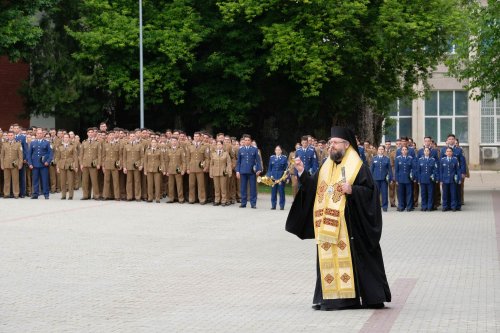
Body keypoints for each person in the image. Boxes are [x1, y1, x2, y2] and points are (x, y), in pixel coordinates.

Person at [285, 126, 391, 311]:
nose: (330, 146)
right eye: (330, 142)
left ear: (346, 145)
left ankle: (363, 297)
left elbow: (370, 194)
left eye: (335, 143)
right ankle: (332, 298)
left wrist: (353, 190)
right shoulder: (327, 165)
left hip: (352, 228)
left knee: (358, 260)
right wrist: (302, 172)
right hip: (328, 226)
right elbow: (313, 189)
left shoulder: (358, 167)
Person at [235, 134, 262, 209]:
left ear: (250, 141)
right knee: (243, 188)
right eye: (245, 140)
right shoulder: (241, 149)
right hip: (243, 171)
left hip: (252, 172)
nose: (247, 141)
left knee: (253, 188)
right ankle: (243, 203)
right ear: (243, 141)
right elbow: (239, 162)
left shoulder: (254, 149)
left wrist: (259, 169)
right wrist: (237, 171)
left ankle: (253, 204)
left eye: (248, 140)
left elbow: (258, 160)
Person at [28, 128, 53, 199]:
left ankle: (46, 194)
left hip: (44, 164)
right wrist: (30, 163)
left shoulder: (47, 142)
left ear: (43, 134)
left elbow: (50, 153)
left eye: (40, 133)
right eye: (38, 133)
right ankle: (35, 194)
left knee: (45, 180)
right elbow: (29, 154)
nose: (39, 134)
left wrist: (47, 161)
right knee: (35, 180)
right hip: (35, 164)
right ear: (36, 134)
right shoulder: (33, 142)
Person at [55, 133, 78, 200]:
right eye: (64, 137)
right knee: (62, 181)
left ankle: (71, 195)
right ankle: (63, 195)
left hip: (70, 165)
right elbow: (58, 157)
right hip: (62, 165)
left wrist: (76, 166)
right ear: (63, 138)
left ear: (69, 138)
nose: (66, 138)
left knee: (70, 181)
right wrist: (57, 167)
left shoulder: (72, 146)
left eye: (67, 137)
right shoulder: (60, 146)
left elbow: (75, 157)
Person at [415, 147, 438, 211]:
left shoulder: (433, 160)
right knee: (423, 194)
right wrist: (419, 180)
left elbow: (435, 170)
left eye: (428, 151)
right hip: (422, 180)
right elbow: (418, 171)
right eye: (425, 151)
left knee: (430, 194)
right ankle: (424, 206)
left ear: (429, 152)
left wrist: (434, 177)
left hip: (430, 180)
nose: (426, 152)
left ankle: (429, 207)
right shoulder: (420, 160)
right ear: (423, 152)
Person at [1, 131, 23, 198]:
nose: (10, 136)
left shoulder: (18, 144)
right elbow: (2, 156)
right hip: (6, 164)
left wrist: (20, 164)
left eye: (11, 135)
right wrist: (2, 164)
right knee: (6, 180)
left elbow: (20, 156)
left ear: (14, 136)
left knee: (15, 180)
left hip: (15, 165)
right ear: (7, 136)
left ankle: (16, 194)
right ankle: (6, 193)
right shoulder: (4, 144)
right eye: (9, 135)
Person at [209, 140, 232, 206]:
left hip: (223, 172)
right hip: (215, 172)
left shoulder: (226, 153)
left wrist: (229, 171)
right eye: (217, 144)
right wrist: (211, 172)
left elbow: (229, 163)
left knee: (223, 187)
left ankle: (223, 200)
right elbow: (211, 164)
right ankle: (217, 200)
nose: (219, 146)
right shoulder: (213, 153)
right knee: (216, 187)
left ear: (222, 145)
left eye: (220, 144)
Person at [370, 145, 392, 212]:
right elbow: (371, 169)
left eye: (382, 149)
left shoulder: (387, 159)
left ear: (384, 150)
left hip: (384, 179)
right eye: (379, 149)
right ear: (377, 150)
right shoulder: (374, 158)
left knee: (384, 193)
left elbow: (389, 170)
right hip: (375, 179)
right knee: (376, 194)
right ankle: (376, 207)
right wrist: (370, 179)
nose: (381, 151)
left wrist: (390, 179)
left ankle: (385, 207)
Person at [266, 145, 289, 210]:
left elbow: (286, 169)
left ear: (281, 151)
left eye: (279, 150)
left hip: (281, 178)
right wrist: (269, 175)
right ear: (275, 151)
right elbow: (269, 168)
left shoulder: (284, 158)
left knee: (281, 192)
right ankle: (273, 205)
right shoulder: (272, 158)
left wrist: (287, 178)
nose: (278, 151)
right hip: (273, 177)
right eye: (276, 150)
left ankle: (282, 205)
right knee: (273, 192)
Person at [439, 147, 460, 212]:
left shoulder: (455, 160)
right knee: (445, 194)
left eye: (450, 151)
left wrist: (459, 179)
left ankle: (453, 206)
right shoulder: (442, 160)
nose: (449, 153)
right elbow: (441, 171)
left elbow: (458, 170)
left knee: (453, 194)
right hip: (445, 180)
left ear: (452, 152)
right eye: (447, 151)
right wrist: (441, 180)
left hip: (452, 180)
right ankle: (445, 206)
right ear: (445, 153)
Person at [395, 146, 414, 212]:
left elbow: (412, 168)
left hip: (408, 179)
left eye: (405, 149)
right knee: (401, 193)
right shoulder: (398, 158)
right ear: (401, 151)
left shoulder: (410, 158)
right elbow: (396, 170)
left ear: (407, 151)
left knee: (409, 193)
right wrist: (396, 179)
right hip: (400, 179)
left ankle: (409, 207)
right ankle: (401, 206)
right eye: (403, 150)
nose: (404, 151)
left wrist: (412, 176)